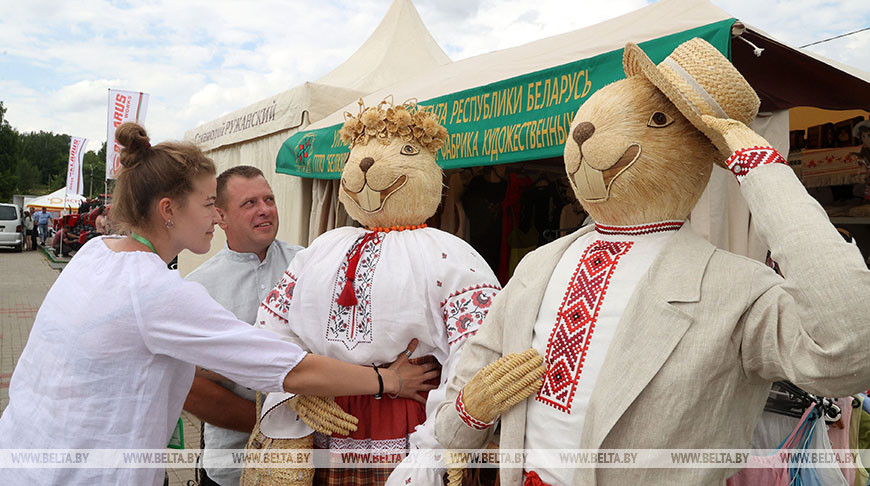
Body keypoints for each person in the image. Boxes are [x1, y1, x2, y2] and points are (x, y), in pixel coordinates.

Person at [0, 122, 438, 486]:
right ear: (168, 210)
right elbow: (287, 368)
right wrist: (386, 380)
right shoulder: (156, 291)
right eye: (210, 203)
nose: (216, 216)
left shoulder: (97, 254)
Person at [183, 165, 302, 486]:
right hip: (231, 466)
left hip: (308, 463)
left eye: (269, 199)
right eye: (249, 203)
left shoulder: (310, 265)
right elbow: (187, 385)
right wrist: (273, 426)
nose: (265, 210)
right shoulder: (198, 288)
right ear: (220, 217)